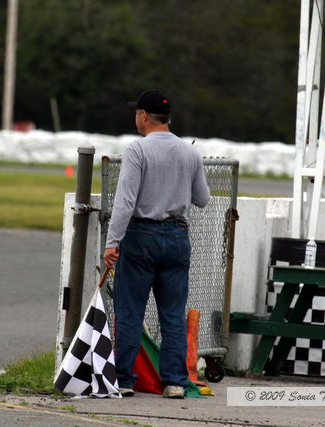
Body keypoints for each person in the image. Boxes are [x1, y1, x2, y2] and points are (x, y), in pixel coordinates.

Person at [103, 89, 210, 399]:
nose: (135, 118)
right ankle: (175, 381)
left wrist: (113, 242)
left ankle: (123, 378)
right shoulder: (189, 152)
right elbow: (202, 199)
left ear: (144, 116)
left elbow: (125, 202)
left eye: (136, 113)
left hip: (141, 236)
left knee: (131, 312)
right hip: (177, 235)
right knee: (172, 315)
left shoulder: (138, 149)